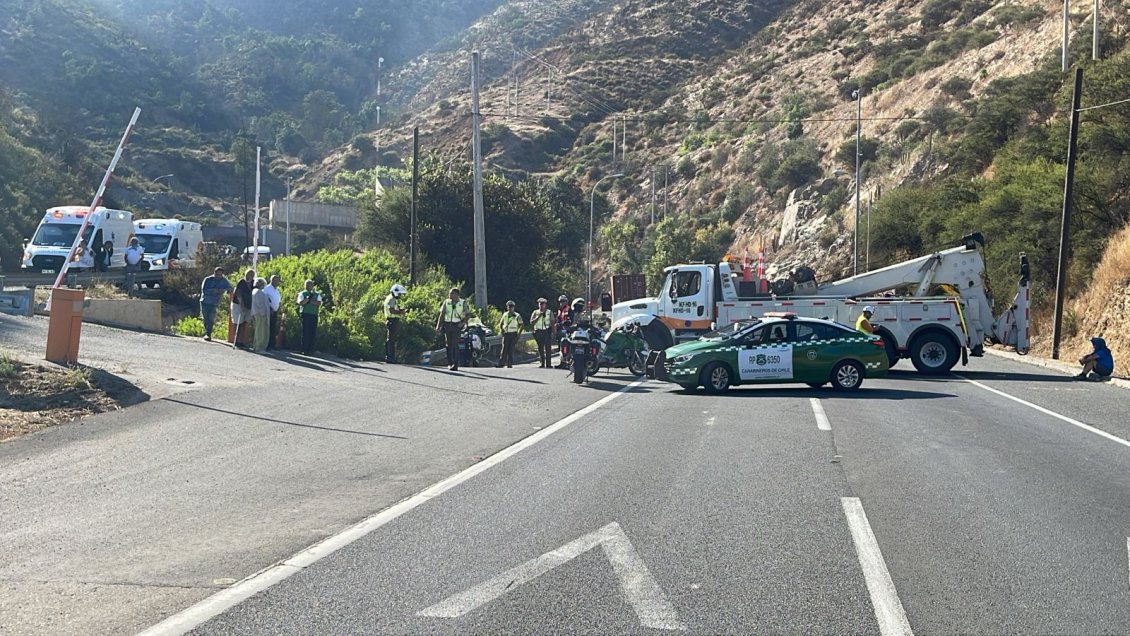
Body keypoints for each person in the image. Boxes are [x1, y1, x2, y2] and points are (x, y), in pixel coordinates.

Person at [435, 287, 470, 371]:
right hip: (447, 325)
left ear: (457, 295)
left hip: (456, 325)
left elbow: (468, 315)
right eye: (449, 293)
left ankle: (455, 364)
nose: (450, 295)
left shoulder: (463, 302)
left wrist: (462, 323)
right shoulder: (446, 302)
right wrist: (438, 326)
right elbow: (442, 314)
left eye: (452, 293)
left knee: (455, 344)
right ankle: (450, 362)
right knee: (448, 344)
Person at [199, 267, 233, 342]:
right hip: (205, 301)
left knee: (211, 319)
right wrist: (214, 291)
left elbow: (230, 288)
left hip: (214, 303)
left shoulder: (223, 280)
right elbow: (204, 290)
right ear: (214, 273)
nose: (218, 276)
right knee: (205, 318)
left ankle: (208, 334)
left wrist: (225, 290)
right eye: (217, 274)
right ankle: (206, 331)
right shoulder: (208, 280)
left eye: (220, 275)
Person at [231, 269, 255, 349]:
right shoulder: (241, 282)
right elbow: (238, 294)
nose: (250, 276)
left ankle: (241, 341)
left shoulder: (252, 283)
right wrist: (242, 305)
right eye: (249, 274)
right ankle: (236, 340)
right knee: (238, 322)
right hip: (238, 305)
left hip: (248, 306)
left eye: (252, 275)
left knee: (244, 323)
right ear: (246, 274)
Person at [297, 279, 322, 355]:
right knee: (305, 332)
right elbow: (301, 302)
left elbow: (318, 303)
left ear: (313, 286)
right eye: (307, 285)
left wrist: (309, 301)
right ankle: (304, 349)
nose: (309, 286)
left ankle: (311, 350)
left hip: (314, 314)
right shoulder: (302, 293)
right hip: (305, 314)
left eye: (310, 285)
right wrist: (308, 300)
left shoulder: (317, 294)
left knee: (312, 332)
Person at [384, 284, 408, 363]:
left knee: (390, 339)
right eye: (400, 293)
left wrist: (400, 309)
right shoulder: (392, 299)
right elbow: (392, 310)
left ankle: (389, 356)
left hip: (391, 320)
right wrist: (401, 312)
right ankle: (390, 357)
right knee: (391, 339)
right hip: (392, 320)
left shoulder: (390, 298)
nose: (400, 295)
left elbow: (393, 309)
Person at [498, 300, 525, 368]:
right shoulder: (505, 314)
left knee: (511, 349)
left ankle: (510, 363)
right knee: (504, 349)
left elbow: (522, 325)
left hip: (513, 334)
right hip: (506, 334)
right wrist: (502, 331)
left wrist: (518, 335)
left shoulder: (517, 315)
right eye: (509, 306)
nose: (510, 308)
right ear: (507, 307)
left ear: (514, 307)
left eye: (512, 306)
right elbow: (501, 324)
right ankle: (501, 363)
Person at [530, 297, 553, 368]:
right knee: (540, 348)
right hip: (538, 331)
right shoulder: (535, 312)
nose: (541, 306)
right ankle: (542, 363)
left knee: (548, 348)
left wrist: (552, 330)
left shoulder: (549, 312)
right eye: (540, 304)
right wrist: (538, 316)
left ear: (545, 305)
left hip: (546, 331)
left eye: (543, 304)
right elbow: (531, 322)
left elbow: (552, 321)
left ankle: (548, 364)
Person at [250, 277, 272, 353]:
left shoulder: (256, 291)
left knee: (259, 330)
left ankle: (257, 346)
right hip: (260, 314)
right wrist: (263, 314)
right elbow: (260, 304)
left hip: (259, 313)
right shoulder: (258, 292)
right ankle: (259, 347)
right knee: (261, 331)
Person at [263, 275, 282, 350]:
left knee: (273, 328)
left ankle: (272, 345)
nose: (276, 282)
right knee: (267, 328)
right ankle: (266, 344)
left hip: (275, 311)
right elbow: (265, 298)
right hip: (268, 310)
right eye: (275, 280)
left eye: (277, 280)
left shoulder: (276, 290)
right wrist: (270, 308)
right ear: (271, 280)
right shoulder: (267, 288)